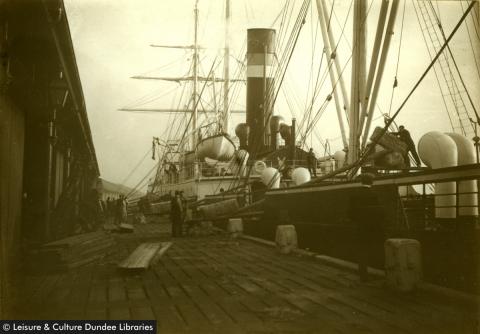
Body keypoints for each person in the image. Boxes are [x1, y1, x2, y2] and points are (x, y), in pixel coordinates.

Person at [348, 173, 385, 281]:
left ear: (362, 182)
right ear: (371, 182)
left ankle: (363, 275)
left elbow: (351, 213)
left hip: (360, 227)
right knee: (374, 249)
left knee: (362, 250)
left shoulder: (355, 195)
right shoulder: (375, 195)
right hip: (373, 228)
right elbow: (379, 212)